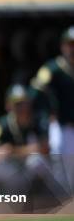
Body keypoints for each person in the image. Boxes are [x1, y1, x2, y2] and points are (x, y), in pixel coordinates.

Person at [31, 26, 74, 155]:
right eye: (70, 44)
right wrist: (46, 114)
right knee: (60, 161)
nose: (73, 49)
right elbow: (35, 93)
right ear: (63, 46)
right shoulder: (53, 68)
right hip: (62, 127)